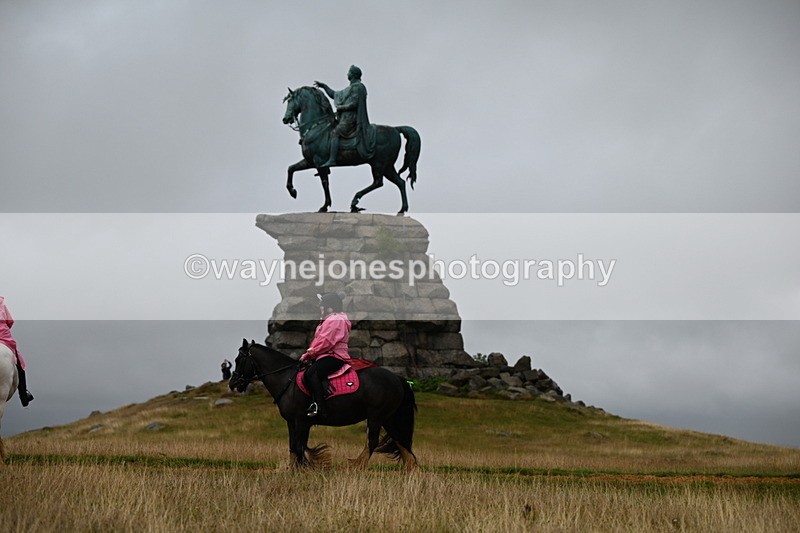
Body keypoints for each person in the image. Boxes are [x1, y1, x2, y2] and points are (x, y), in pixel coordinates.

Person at [299, 292, 351, 418]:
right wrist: (310, 353)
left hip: (334, 356)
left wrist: (309, 354)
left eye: (322, 305)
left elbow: (326, 341)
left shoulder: (335, 320)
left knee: (312, 373)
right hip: (326, 354)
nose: (320, 307)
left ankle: (319, 406)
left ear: (329, 306)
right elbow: (320, 340)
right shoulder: (330, 319)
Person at [314, 65, 376, 166]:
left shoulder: (358, 87)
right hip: (345, 118)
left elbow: (354, 104)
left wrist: (341, 108)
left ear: (353, 74)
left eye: (349, 72)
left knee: (335, 132)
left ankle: (332, 159)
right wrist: (324, 86)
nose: (347, 74)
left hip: (351, 119)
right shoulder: (349, 88)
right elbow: (334, 94)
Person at [0, 296, 34, 406]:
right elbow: (10, 321)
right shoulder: (1, 303)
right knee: (18, 362)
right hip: (3, 335)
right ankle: (24, 394)